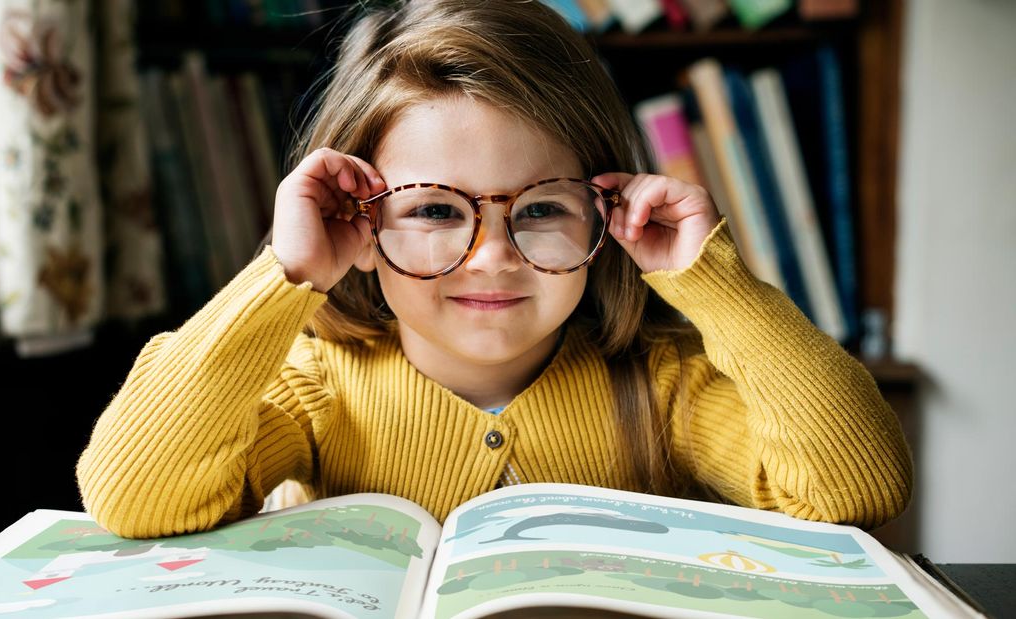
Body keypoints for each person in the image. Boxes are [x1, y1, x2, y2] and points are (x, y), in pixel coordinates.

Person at [77, 0, 911, 539]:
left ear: (605, 213)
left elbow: (854, 488)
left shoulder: (661, 386)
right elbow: (132, 496)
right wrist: (286, 273)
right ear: (358, 224)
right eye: (437, 210)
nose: (492, 255)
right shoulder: (315, 389)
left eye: (541, 207)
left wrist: (713, 282)